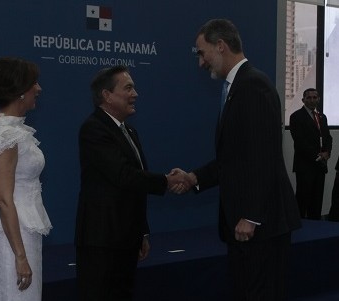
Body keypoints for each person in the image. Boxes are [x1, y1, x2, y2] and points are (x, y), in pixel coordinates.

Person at [174, 19, 302, 300]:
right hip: (248, 226)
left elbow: (264, 155)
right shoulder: (238, 87)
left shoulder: (253, 85)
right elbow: (235, 157)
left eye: (201, 52)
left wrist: (252, 216)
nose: (201, 62)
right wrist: (195, 178)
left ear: (220, 46)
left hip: (260, 226)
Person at [74, 65, 184, 301]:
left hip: (126, 237)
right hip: (102, 240)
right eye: (128, 88)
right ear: (107, 95)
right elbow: (123, 175)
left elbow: (136, 184)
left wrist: (142, 231)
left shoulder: (129, 131)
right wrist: (166, 181)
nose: (136, 94)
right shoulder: (93, 129)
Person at [0, 57, 52, 301]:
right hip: (12, 241)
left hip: (22, 233)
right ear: (20, 91)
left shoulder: (12, 131)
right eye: (34, 83)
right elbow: (3, 199)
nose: (39, 89)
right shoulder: (6, 135)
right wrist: (19, 256)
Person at [289, 88, 332, 220]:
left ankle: (316, 226)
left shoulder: (321, 117)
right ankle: (300, 227)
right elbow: (299, 141)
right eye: (309, 97)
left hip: (320, 166)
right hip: (305, 165)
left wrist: (327, 153)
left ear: (318, 99)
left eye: (315, 97)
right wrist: (318, 155)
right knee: (303, 198)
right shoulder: (296, 116)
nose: (312, 100)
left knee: (317, 200)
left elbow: (328, 138)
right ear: (303, 100)